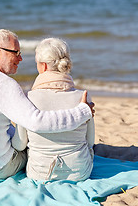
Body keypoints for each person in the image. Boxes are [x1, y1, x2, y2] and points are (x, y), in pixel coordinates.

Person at [0, 29, 94, 180]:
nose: (21, 58)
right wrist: (82, 111)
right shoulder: (4, 84)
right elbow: (37, 122)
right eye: (15, 52)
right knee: (29, 147)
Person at [16, 37, 95, 181]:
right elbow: (90, 142)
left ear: (44, 66)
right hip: (80, 173)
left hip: (39, 174)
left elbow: (20, 144)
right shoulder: (83, 97)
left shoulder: (29, 99)